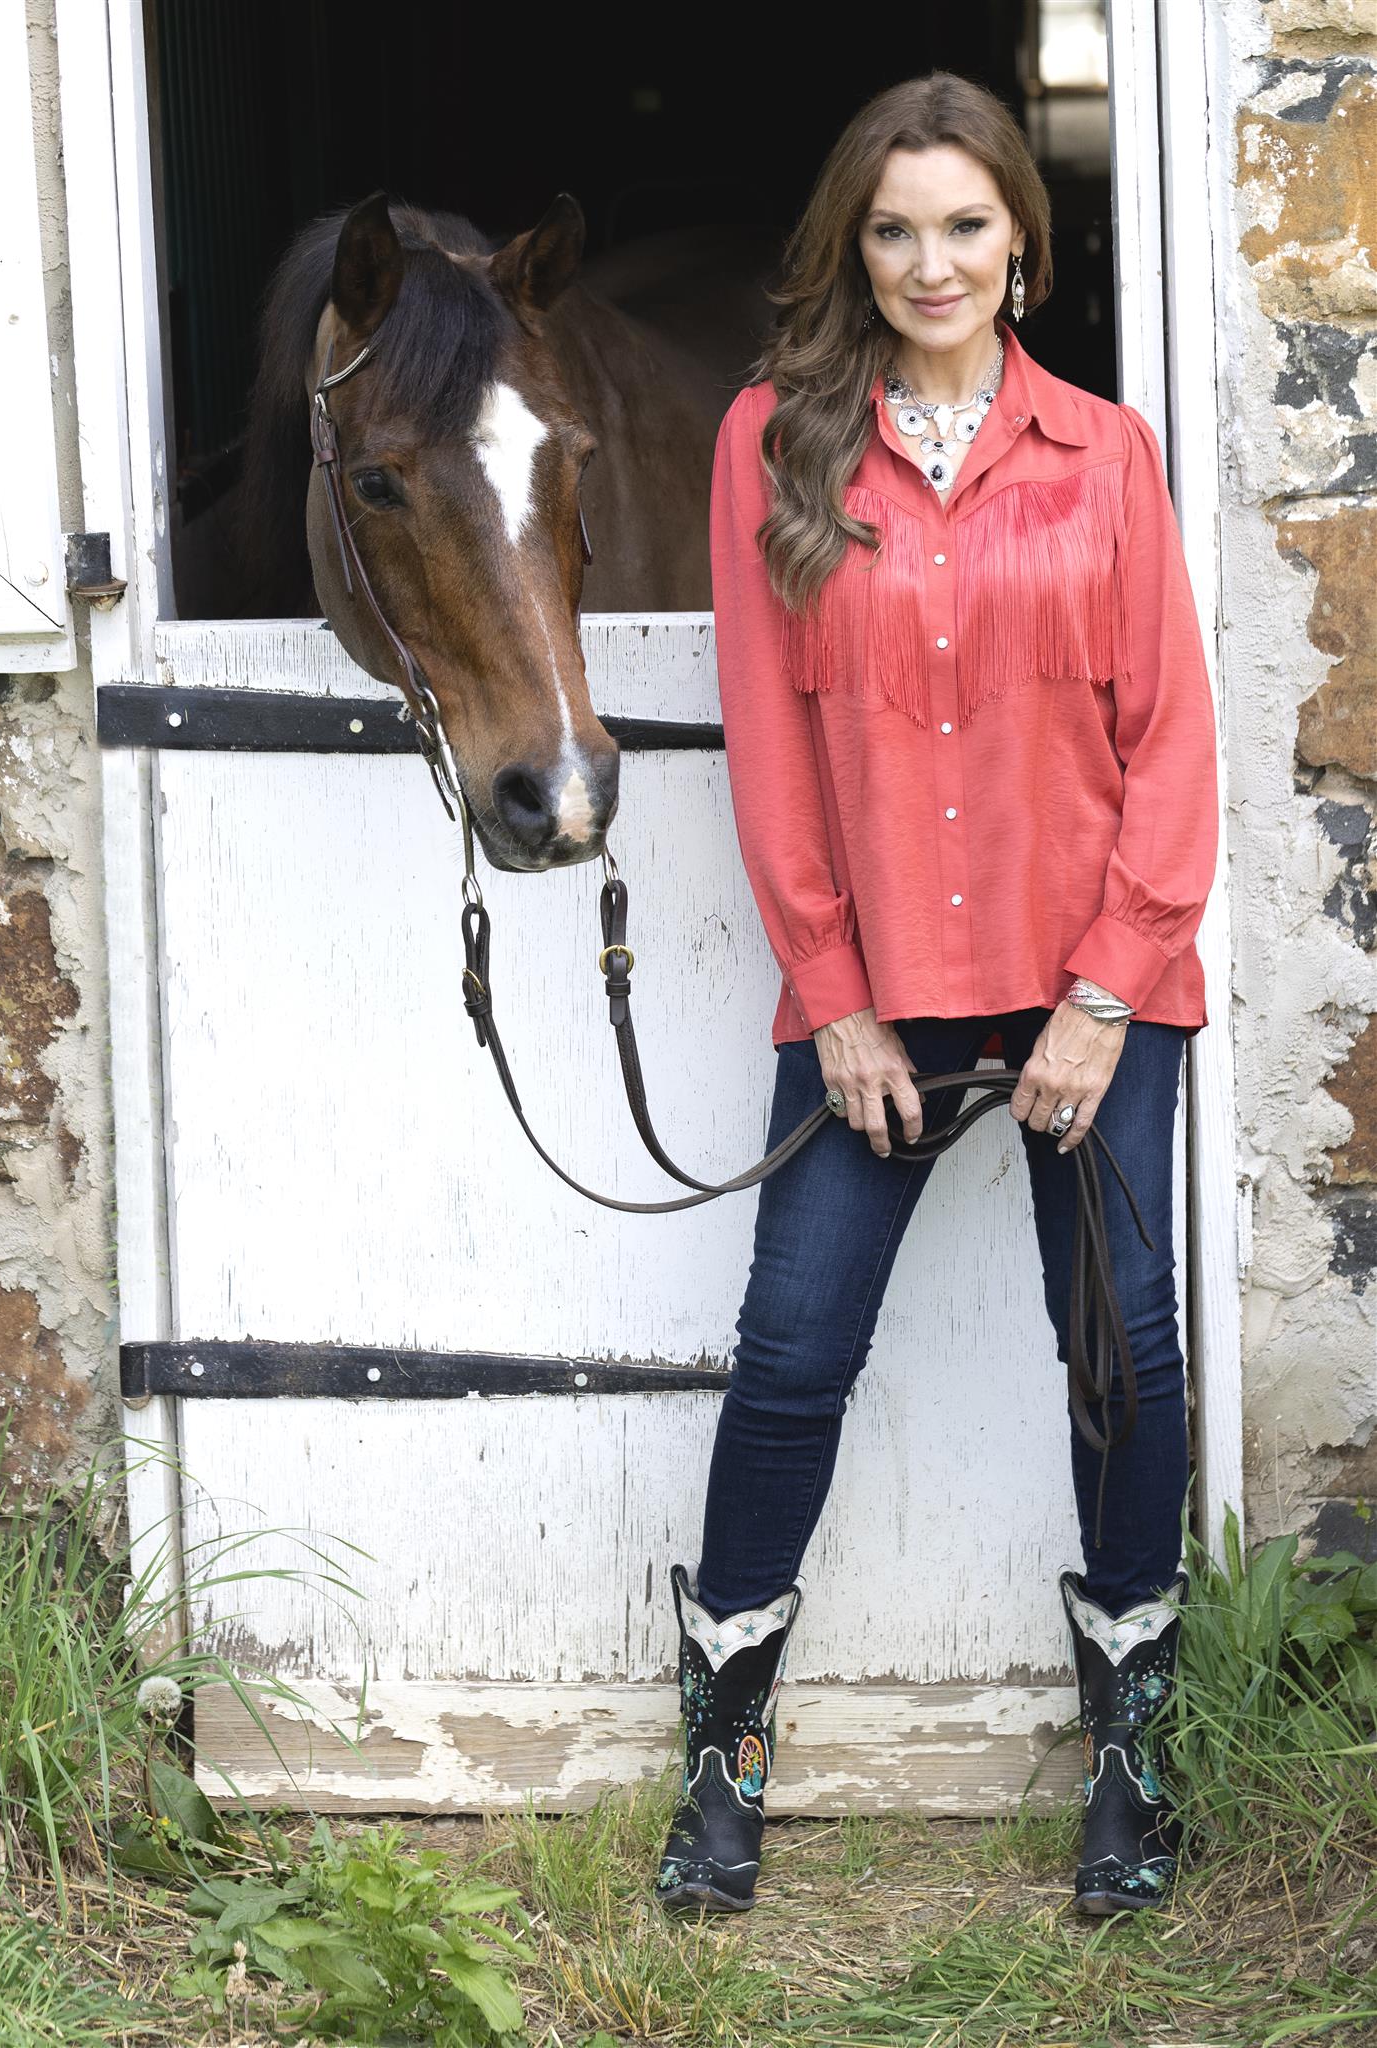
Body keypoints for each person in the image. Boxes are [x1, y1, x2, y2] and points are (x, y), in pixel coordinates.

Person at [654, 70, 1219, 1921]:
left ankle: (1133, 1764)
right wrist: (834, 990)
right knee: (794, 1353)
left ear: (1021, 247)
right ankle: (723, 1762)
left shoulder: (1106, 455)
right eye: (893, 229)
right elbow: (766, 744)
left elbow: (1174, 747)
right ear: (852, 247)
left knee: (1121, 1357)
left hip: (1085, 997)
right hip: (876, 1002)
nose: (930, 261)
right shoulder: (773, 447)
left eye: (965, 225)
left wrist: (1106, 990)